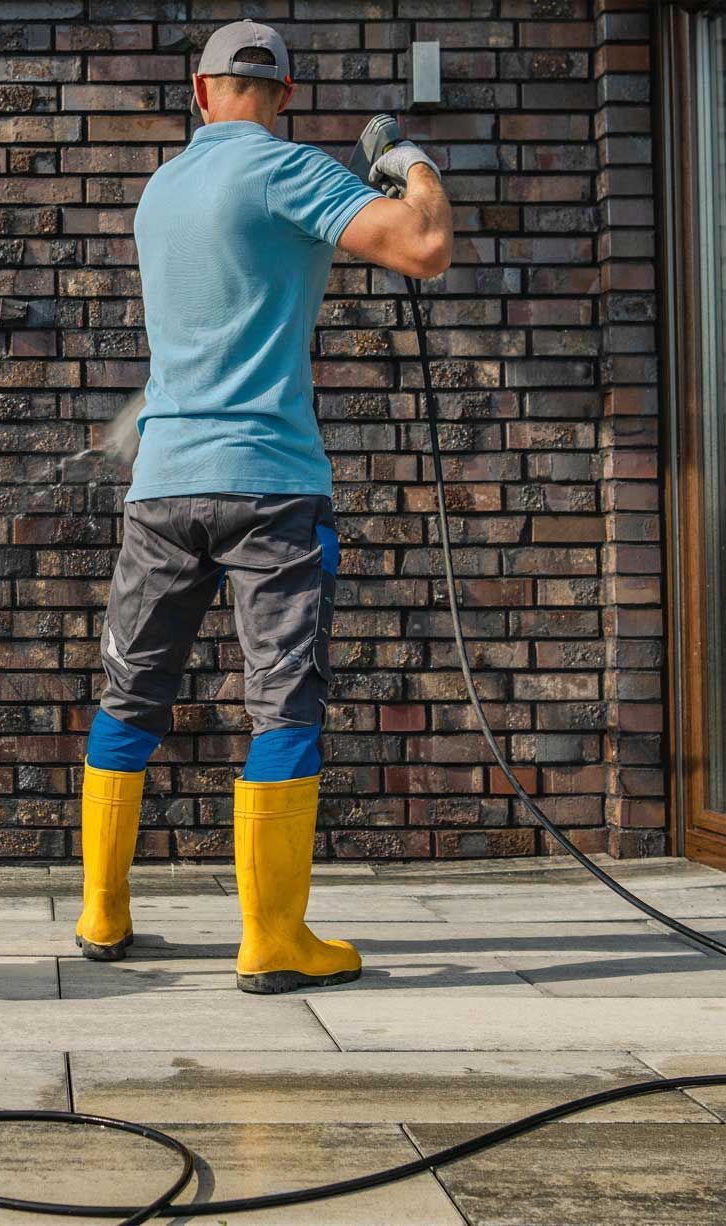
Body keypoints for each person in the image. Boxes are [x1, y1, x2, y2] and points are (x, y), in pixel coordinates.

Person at [74, 20, 454, 994]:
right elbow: (422, 247)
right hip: (271, 486)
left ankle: (103, 914)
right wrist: (405, 161)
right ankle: (274, 939)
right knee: (284, 700)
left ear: (199, 94)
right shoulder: (288, 172)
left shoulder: (160, 193)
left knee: (130, 694)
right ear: (284, 97)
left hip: (162, 484)